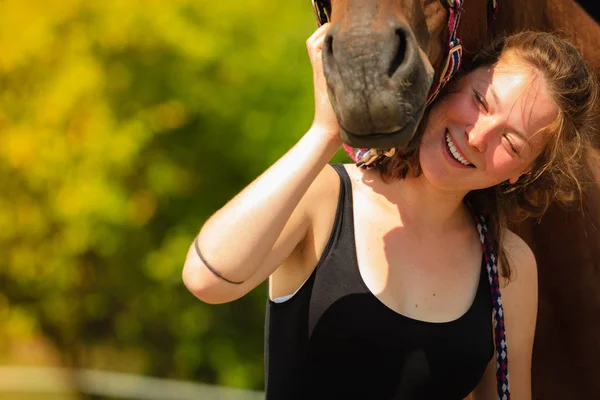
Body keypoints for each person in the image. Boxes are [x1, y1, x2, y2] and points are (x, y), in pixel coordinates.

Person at [182, 24, 598, 400]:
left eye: (512, 143)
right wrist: (325, 131)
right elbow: (206, 279)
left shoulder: (509, 267)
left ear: (522, 173)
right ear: (446, 82)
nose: (477, 135)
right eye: (480, 101)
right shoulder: (326, 197)